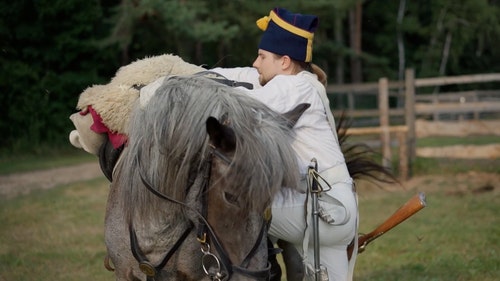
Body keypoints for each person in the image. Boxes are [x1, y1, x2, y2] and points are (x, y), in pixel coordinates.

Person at [211, 7, 358, 281]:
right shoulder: (304, 83)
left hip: (321, 210)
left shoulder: (290, 88)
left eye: (262, 56)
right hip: (338, 209)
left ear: (285, 62)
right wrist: (193, 72)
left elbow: (232, 104)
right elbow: (243, 77)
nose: (256, 63)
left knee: (222, 205)